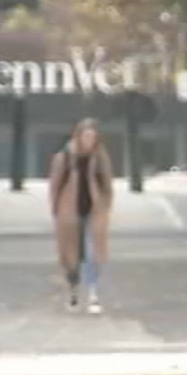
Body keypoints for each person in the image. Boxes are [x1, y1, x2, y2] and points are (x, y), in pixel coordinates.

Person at [48, 118, 115, 314]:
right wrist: (56, 210)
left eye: (93, 137)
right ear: (78, 136)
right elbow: (55, 186)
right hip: (69, 213)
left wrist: (106, 206)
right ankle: (74, 292)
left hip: (93, 212)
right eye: (86, 136)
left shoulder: (100, 157)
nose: (89, 140)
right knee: (72, 256)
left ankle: (93, 294)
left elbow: (107, 184)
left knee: (92, 254)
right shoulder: (65, 158)